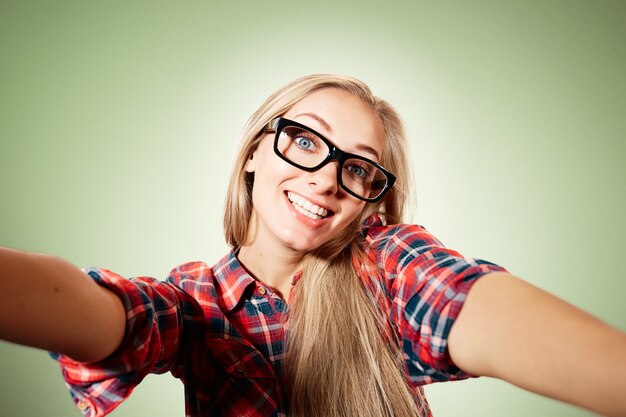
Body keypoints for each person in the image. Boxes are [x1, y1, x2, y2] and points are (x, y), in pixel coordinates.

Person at [1, 74, 625, 417]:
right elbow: (108, 313)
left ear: (370, 198)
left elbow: (456, 297)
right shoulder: (197, 302)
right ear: (253, 154)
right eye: (306, 141)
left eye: (358, 168)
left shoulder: (387, 266)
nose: (327, 177)